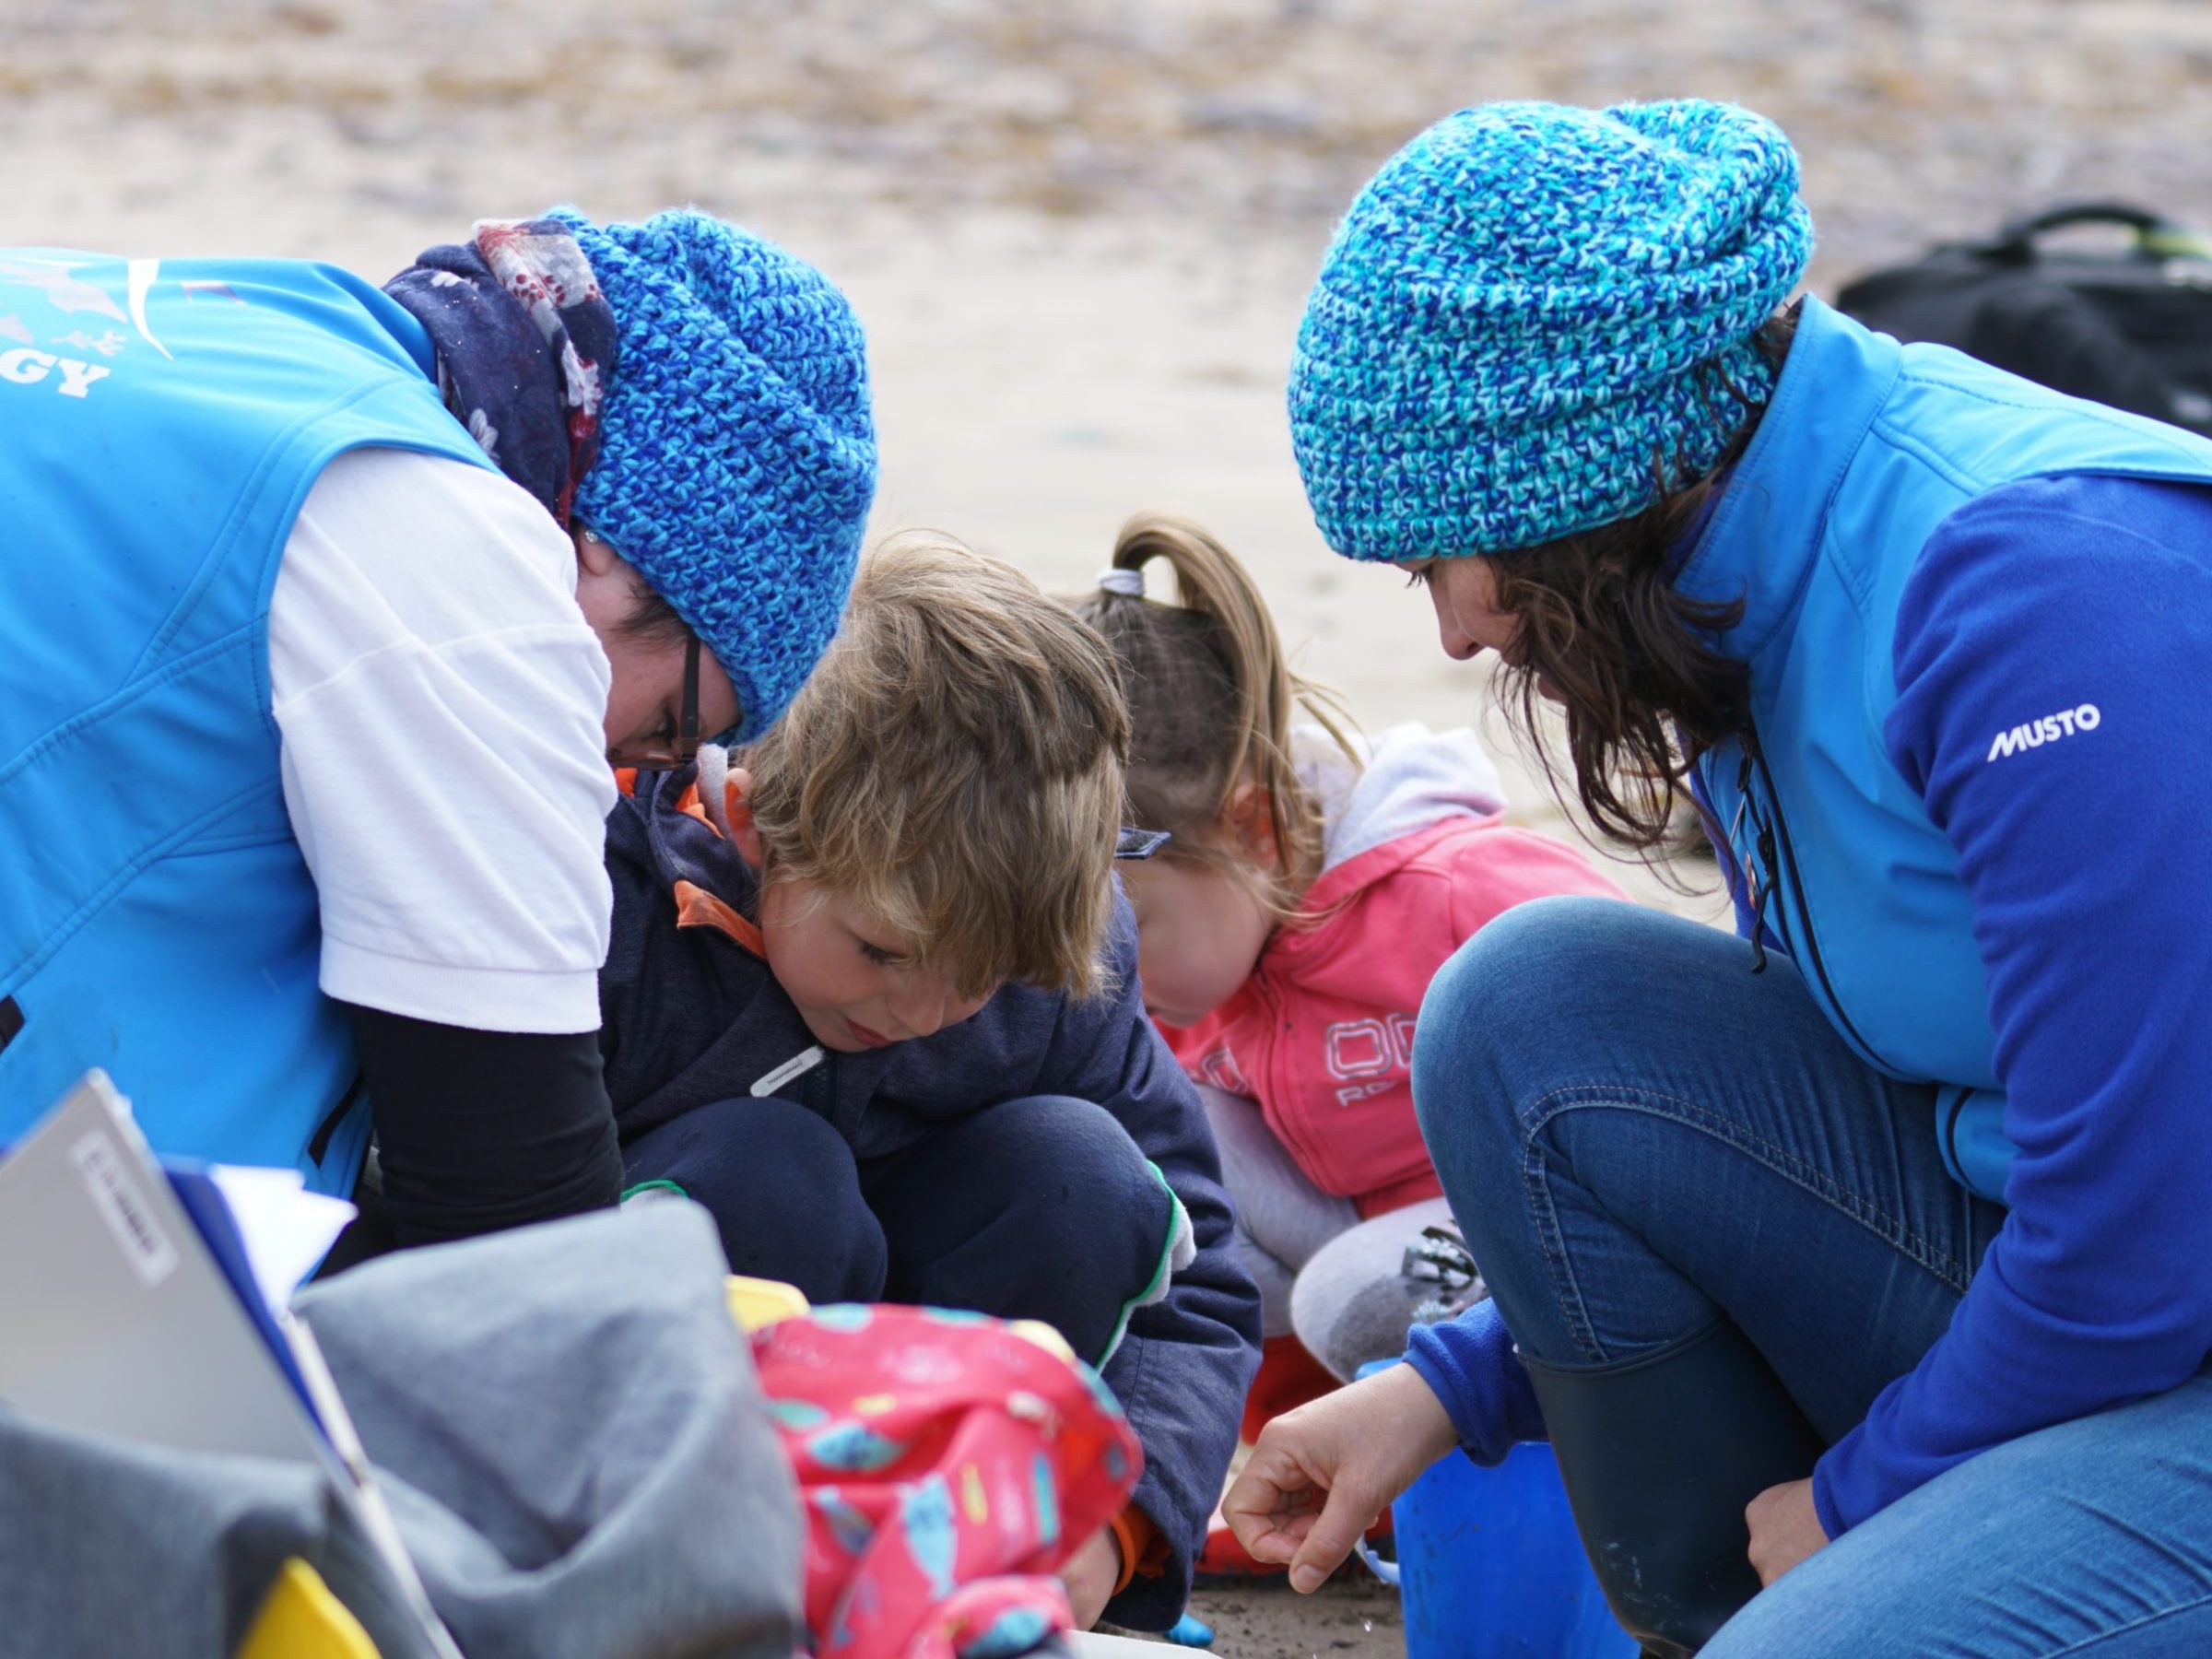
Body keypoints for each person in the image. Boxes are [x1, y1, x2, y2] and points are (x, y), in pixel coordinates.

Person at [1223, 98, 2212, 1658]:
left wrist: (1866, 1492)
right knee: (1529, 1007)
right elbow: (1862, 1087)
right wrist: (1452, 1380)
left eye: (1443, 562)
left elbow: (2147, 1228)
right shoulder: (1736, 565)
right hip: (2099, 1290)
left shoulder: (2033, 595)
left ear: (1592, 476)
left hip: (2163, 1297)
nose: (1457, 634)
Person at [0, 211, 876, 1257]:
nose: (611, 779)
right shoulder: (465, 571)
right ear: (614, 555)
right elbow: (516, 1230)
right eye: (668, 727)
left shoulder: (242, 320)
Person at [595, 533, 1262, 1635]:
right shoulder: (615, 911)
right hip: (654, 1463)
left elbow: (1197, 1287)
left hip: (946, 1421)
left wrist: (1122, 1526)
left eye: (983, 978)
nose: (921, 1013)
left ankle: (974, 1562)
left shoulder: (1058, 961)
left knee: (1081, 1175)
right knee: (774, 1177)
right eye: (883, 954)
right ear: (760, 826)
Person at [1070, 516, 1621, 1443]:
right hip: (1375, 1233)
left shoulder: (1450, 887)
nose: (1102, 974)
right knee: (1132, 1157)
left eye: (1129, 927)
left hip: (1549, 1231)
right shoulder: (1205, 963)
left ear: (1250, 828)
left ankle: (1498, 1463)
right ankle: (1306, 1453)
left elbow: (1661, 1019)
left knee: (1342, 1297)